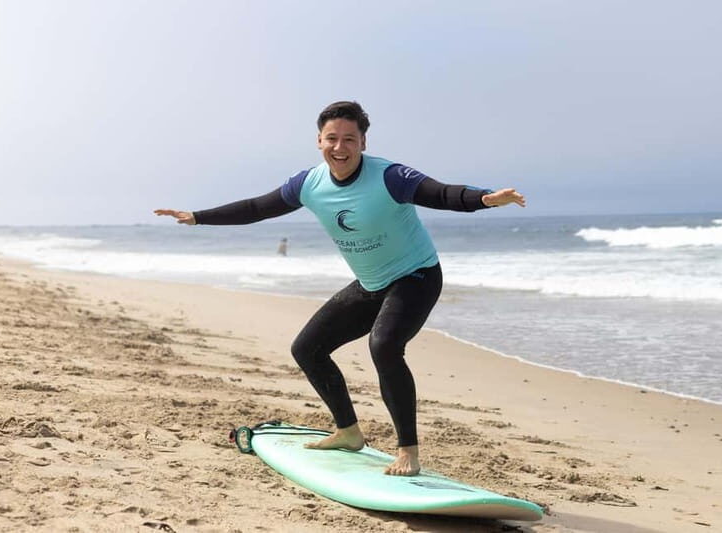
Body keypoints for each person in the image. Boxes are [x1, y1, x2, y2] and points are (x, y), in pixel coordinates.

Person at [155, 101, 525, 476]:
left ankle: (407, 451)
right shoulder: (309, 184)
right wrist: (198, 217)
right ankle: (348, 431)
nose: (340, 147)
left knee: (384, 345)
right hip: (371, 284)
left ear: (363, 142)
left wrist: (484, 198)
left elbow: (441, 194)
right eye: (332, 138)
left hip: (416, 276)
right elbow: (257, 207)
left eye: (349, 139)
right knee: (307, 349)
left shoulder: (390, 176)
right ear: (319, 141)